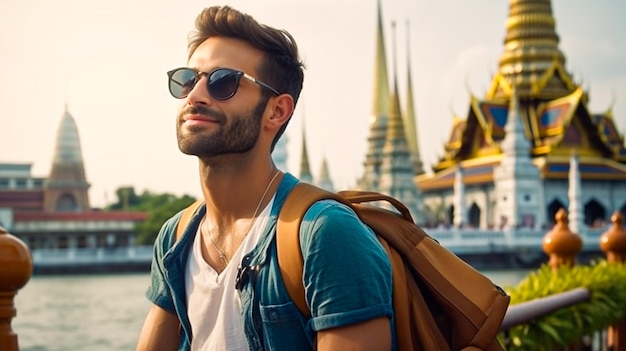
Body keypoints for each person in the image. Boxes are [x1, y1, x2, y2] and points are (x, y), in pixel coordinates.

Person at [136, 5, 394, 351]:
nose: (196, 96)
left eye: (223, 82)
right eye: (187, 80)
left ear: (276, 111)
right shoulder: (176, 238)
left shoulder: (325, 234)